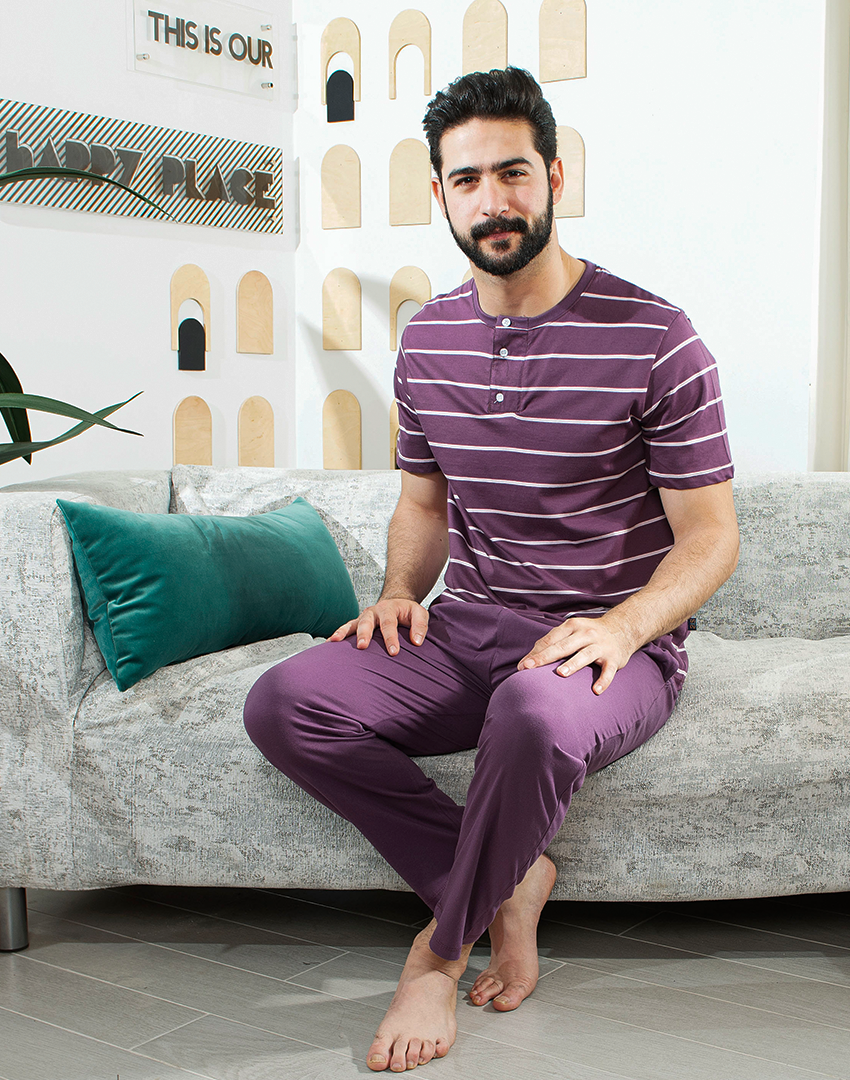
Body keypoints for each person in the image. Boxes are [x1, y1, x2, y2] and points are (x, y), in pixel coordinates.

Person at [243, 67, 739, 1073]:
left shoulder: (656, 337)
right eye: (467, 180)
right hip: (467, 627)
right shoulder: (428, 338)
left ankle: (437, 954)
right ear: (440, 194)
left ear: (555, 175)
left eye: (513, 172)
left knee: (531, 712)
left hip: (610, 648)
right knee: (285, 704)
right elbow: (423, 506)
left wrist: (625, 627)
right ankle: (511, 880)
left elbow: (711, 536)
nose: (492, 200)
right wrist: (397, 594)